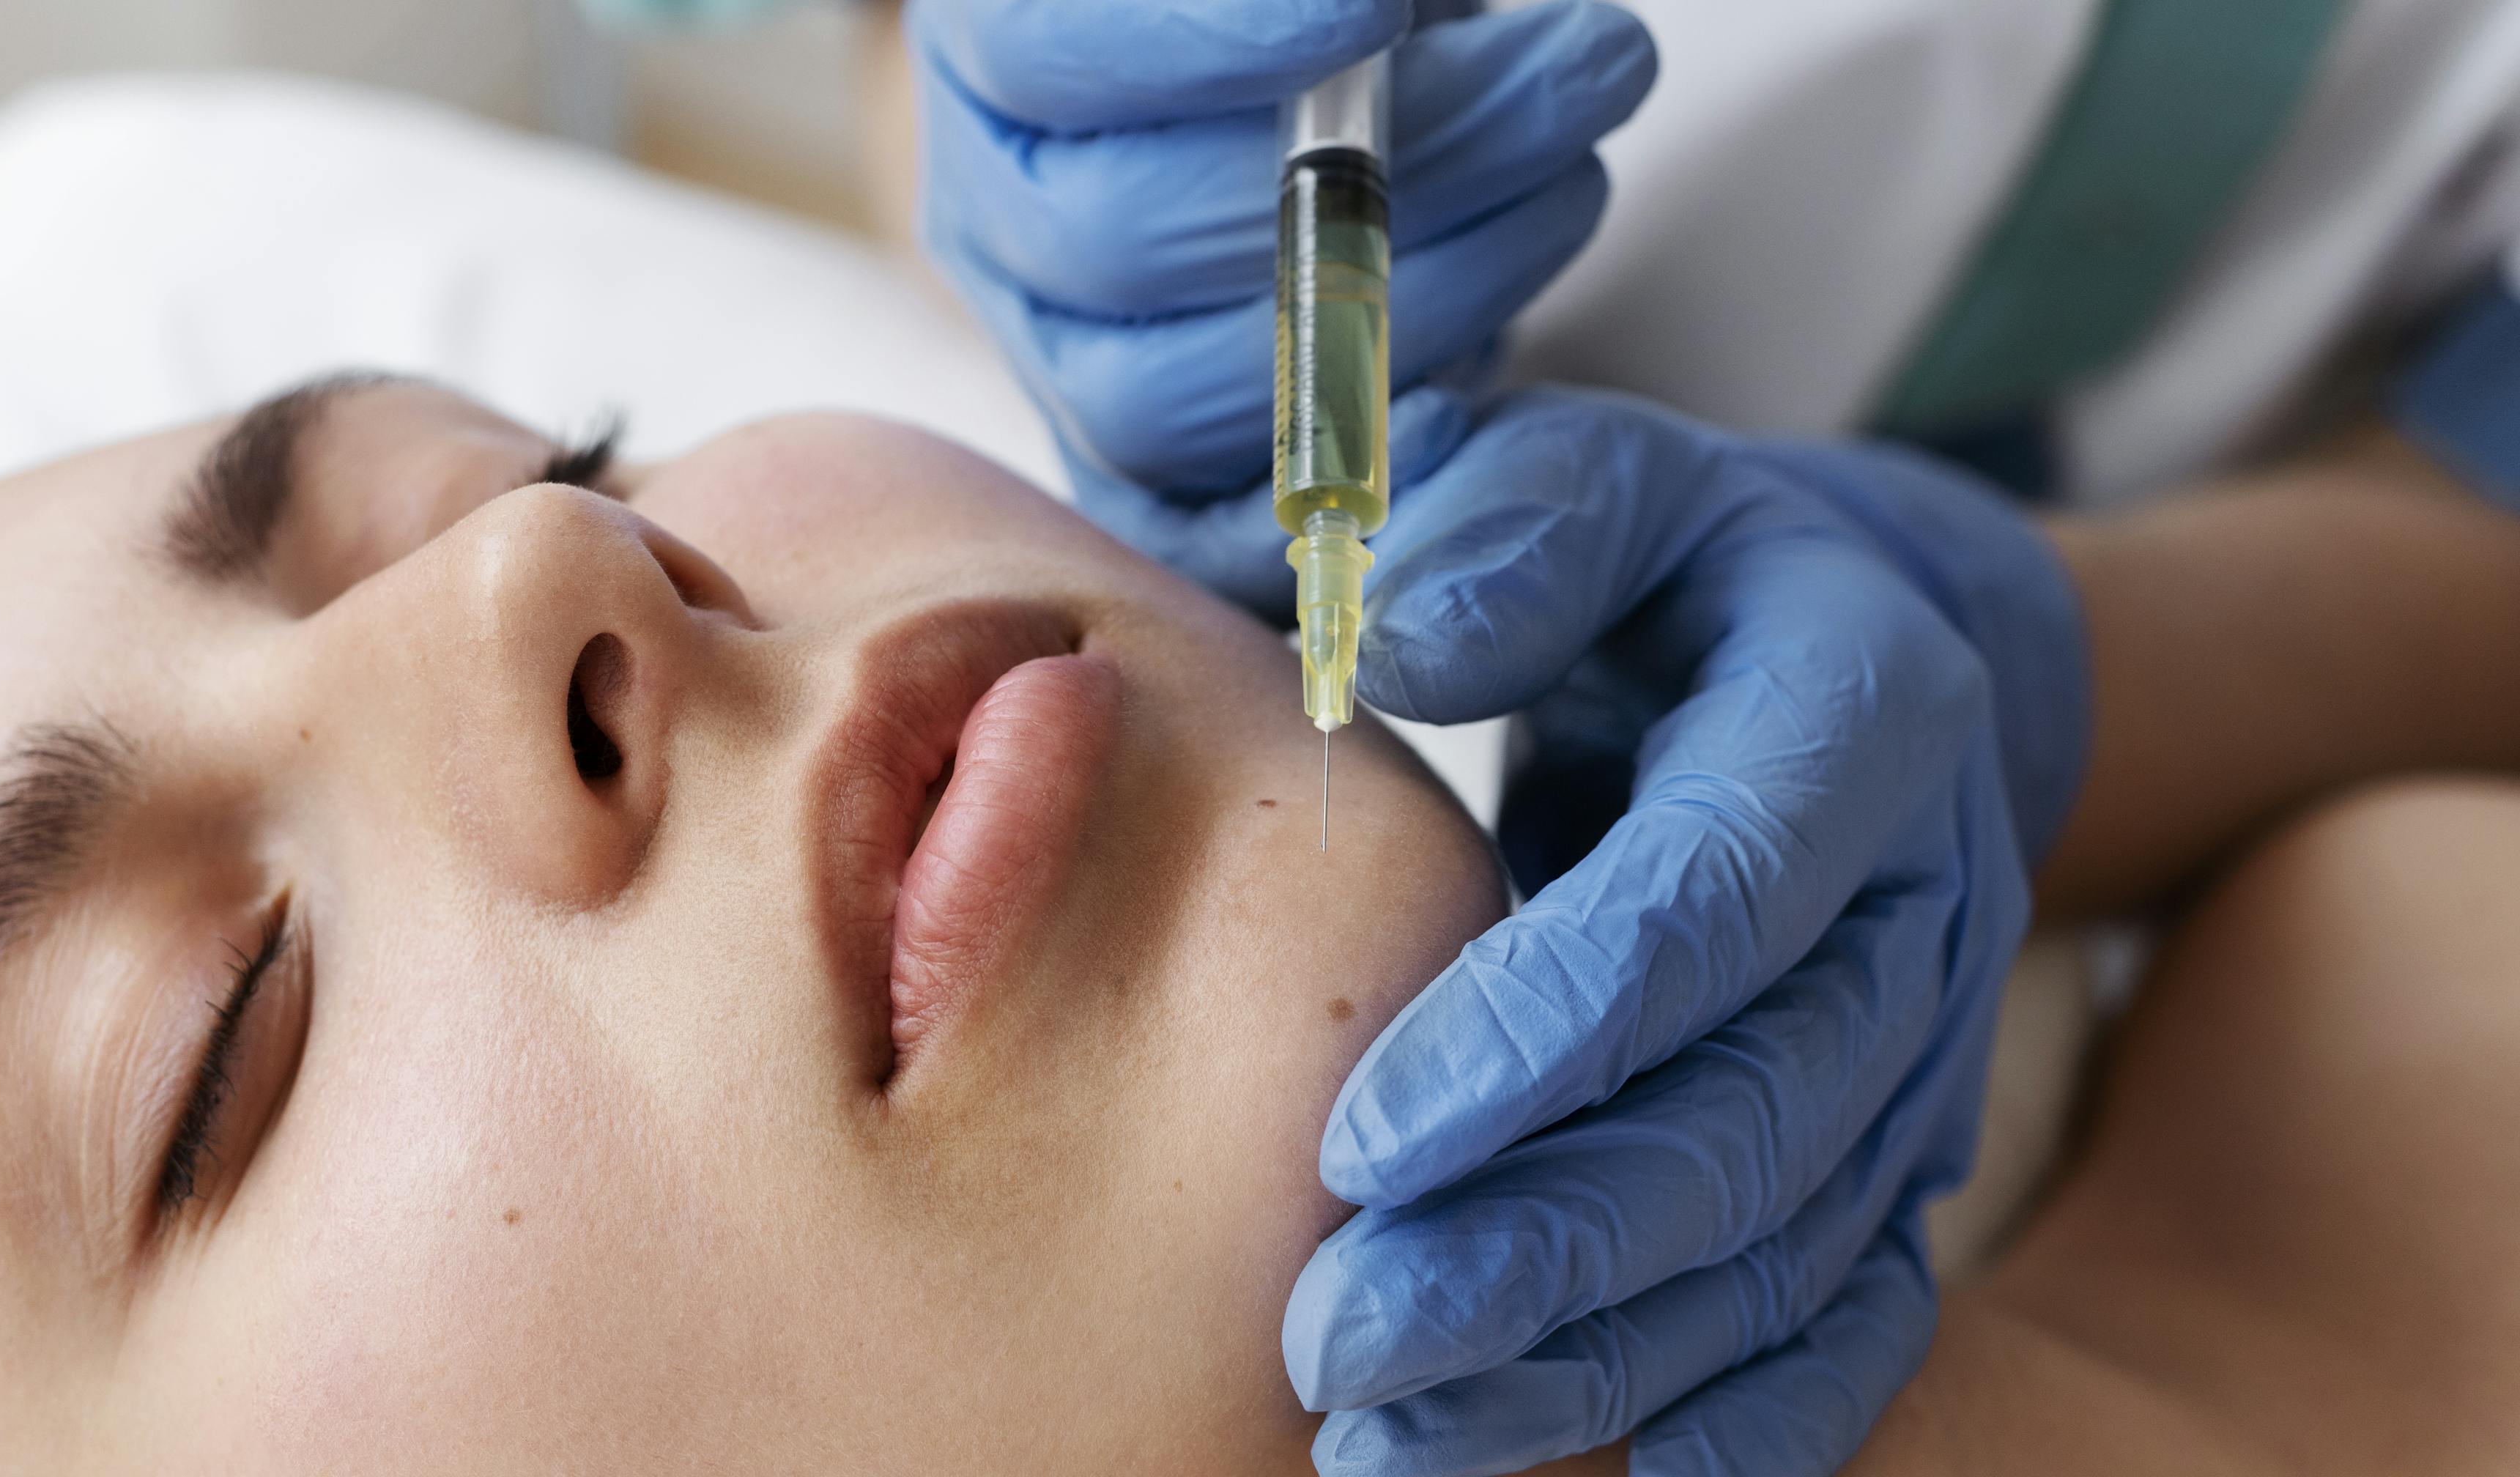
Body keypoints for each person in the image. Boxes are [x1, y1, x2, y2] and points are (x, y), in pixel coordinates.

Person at [0, 371, 2520, 1477]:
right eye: (210, 1044)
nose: (539, 573)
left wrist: (2084, 650)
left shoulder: (2395, 954)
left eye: (541, 450)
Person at [881, 0, 2520, 1467]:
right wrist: (1020, 142)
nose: (616, 550)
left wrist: (2064, 651)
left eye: (615, 453)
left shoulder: (2374, 968)